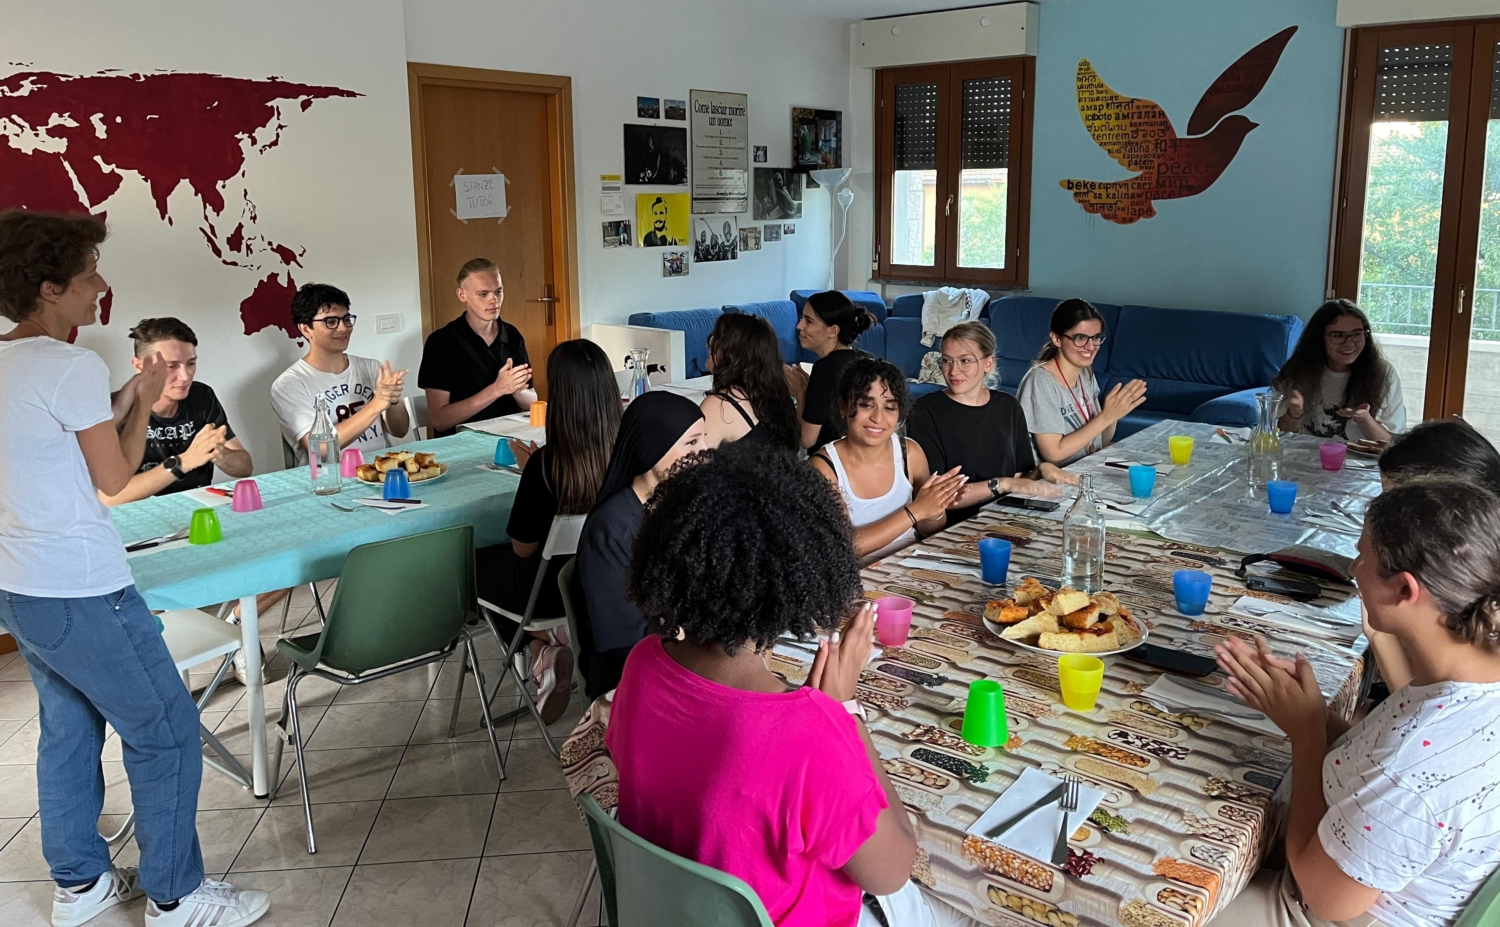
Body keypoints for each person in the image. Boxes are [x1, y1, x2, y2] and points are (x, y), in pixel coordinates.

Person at [0, 210, 269, 927]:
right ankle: (176, 896)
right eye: (89, 274)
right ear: (50, 287)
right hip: (82, 586)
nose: (101, 286)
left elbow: (58, 441)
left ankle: (80, 886)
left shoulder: (12, 361)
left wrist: (126, 399)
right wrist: (143, 403)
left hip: (19, 585)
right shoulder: (69, 364)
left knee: (69, 729)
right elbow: (115, 479)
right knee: (168, 731)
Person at [609, 441, 981, 927]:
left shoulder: (642, 664)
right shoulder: (810, 734)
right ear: (804, 576)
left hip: (669, 911)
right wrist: (845, 713)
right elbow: (893, 870)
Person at [1214, 479, 1500, 927]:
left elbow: (1324, 898)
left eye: (1363, 556)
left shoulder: (1414, 764)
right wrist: (1315, 715)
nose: (1352, 568)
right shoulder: (1468, 677)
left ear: (1405, 590)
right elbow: (1376, 761)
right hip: (1363, 865)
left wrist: (1306, 735)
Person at [475, 339, 620, 723]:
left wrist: (531, 476)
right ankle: (554, 641)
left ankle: (540, 647)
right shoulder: (626, 454)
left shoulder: (547, 464)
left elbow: (523, 550)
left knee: (473, 565)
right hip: (606, 588)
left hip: (550, 595)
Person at [575, 392, 707, 699]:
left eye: (704, 439)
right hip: (634, 677)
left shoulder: (680, 505)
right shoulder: (611, 530)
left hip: (688, 651)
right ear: (652, 449)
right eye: (692, 443)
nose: (704, 452)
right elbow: (622, 641)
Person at [1360, 418, 1500, 694]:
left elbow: (1426, 702)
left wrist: (1378, 633)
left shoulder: (1468, 582)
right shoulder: (1478, 543)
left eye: (1395, 501)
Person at [909, 322, 1076, 524]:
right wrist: (1000, 484)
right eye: (946, 360)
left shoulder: (1008, 406)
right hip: (956, 525)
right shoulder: (925, 410)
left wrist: (1042, 470)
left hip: (1007, 517)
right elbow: (935, 498)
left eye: (965, 361)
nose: (953, 371)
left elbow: (1019, 478)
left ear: (988, 363)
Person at [810, 358, 966, 565]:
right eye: (866, 405)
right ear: (844, 407)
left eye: (890, 408)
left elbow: (929, 530)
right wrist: (916, 510)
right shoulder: (823, 468)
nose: (878, 418)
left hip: (910, 567)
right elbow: (843, 547)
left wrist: (935, 509)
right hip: (857, 576)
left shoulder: (910, 453)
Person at [98, 318, 252, 505]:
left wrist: (219, 453)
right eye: (171, 366)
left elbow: (245, 468)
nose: (185, 376)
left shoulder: (201, 396)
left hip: (199, 508)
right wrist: (184, 462)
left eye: (191, 363)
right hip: (139, 515)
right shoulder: (111, 410)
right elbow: (109, 497)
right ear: (139, 366)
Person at [270, 282, 409, 465]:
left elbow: (400, 431)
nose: (343, 328)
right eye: (331, 322)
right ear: (306, 329)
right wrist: (377, 404)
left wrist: (393, 401)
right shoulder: (289, 384)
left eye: (346, 319)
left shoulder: (371, 367)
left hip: (380, 469)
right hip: (330, 477)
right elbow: (320, 448)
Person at [1017, 299, 1146, 467]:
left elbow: (1100, 440)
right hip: (1052, 479)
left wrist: (1114, 414)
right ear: (1056, 339)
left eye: (1096, 337)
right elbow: (1054, 454)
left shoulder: (1085, 372)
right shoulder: (1041, 381)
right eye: (1080, 338)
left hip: (1085, 469)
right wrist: (1107, 416)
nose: (1091, 347)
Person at [418, 258, 534, 437]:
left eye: (498, 291)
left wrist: (515, 389)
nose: (494, 300)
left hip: (510, 436)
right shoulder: (441, 343)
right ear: (462, 295)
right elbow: (440, 421)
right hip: (461, 440)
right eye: (483, 294)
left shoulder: (512, 335)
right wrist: (497, 389)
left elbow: (532, 402)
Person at [1275, 299, 1405, 444]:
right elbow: (1283, 434)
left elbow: (1389, 444)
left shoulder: (1383, 373)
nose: (1349, 343)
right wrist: (1293, 414)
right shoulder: (1298, 370)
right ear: (1319, 339)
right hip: (1306, 452)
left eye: (1356, 334)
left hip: (1358, 457)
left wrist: (1364, 419)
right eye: (1337, 335)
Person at [789, 290, 876, 452]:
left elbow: (806, 439)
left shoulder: (824, 369)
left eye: (809, 321)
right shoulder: (866, 358)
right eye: (802, 318)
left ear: (833, 331)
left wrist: (801, 392)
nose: (799, 326)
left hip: (831, 459)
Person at [699, 312, 799, 450]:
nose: (708, 345)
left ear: (734, 353)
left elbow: (694, 459)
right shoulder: (777, 397)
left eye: (717, 338)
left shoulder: (719, 405)